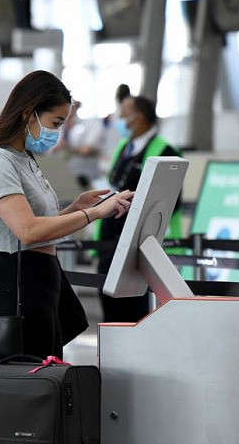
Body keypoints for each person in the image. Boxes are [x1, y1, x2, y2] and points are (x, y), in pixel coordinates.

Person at [0, 70, 134, 358]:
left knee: (45, 388)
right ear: (29, 113)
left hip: (39, 290)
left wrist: (76, 208)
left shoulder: (24, 158)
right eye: (55, 122)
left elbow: (39, 228)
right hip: (14, 294)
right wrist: (94, 215)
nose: (58, 133)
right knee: (26, 392)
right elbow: (27, 231)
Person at [96, 95, 182, 323]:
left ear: (139, 117)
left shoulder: (165, 150)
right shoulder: (124, 147)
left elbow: (171, 200)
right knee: (111, 308)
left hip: (141, 244)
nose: (120, 119)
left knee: (137, 310)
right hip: (111, 241)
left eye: (124, 114)